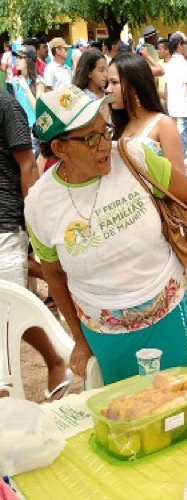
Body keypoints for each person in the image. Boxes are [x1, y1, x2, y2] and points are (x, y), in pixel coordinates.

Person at [25, 85, 187, 384]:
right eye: (91, 139)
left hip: (168, 311)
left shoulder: (133, 156)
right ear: (60, 149)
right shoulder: (40, 204)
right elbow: (54, 275)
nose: (105, 145)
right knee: (129, 413)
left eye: (104, 130)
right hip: (106, 331)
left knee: (186, 398)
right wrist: (79, 339)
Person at [0, 86, 72, 401]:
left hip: (5, 223)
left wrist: (32, 225)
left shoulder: (6, 105)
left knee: (6, 315)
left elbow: (28, 166)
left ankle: (8, 401)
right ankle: (56, 359)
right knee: (10, 311)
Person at [107, 54, 186, 174]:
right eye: (107, 83)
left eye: (114, 82)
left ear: (135, 85)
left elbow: (180, 179)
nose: (108, 89)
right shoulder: (117, 126)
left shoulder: (163, 124)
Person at [164, 32, 187, 159]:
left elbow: (166, 91)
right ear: (180, 45)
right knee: (183, 146)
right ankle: (184, 173)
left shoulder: (168, 64)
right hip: (183, 111)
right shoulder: (185, 65)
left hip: (173, 110)